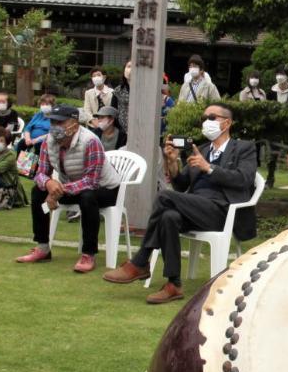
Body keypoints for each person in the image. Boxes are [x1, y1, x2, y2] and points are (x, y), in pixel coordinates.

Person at [104, 102, 256, 304]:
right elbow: (181, 185)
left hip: (222, 211)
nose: (205, 122)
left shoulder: (244, 148)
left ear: (226, 123)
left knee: (164, 196)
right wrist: (172, 162)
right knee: (168, 216)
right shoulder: (200, 149)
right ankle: (173, 284)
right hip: (195, 208)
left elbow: (243, 179)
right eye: (203, 119)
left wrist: (209, 168)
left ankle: (141, 260)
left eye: (211, 118)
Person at [15, 105, 121, 274]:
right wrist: (49, 183)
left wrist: (58, 190)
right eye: (52, 122)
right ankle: (43, 248)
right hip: (70, 187)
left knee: (87, 197)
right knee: (38, 191)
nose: (55, 127)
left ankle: (88, 253)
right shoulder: (47, 142)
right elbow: (40, 173)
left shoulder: (90, 141)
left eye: (60, 122)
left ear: (74, 124)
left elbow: (91, 181)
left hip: (105, 189)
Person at [15, 93, 56, 164]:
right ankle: (19, 165)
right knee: (22, 143)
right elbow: (28, 128)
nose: (44, 106)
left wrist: (36, 140)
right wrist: (27, 138)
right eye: (42, 104)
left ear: (52, 105)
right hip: (30, 139)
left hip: (43, 141)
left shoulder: (55, 118)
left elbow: (52, 133)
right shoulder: (38, 115)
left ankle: (34, 168)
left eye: (46, 104)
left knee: (38, 146)